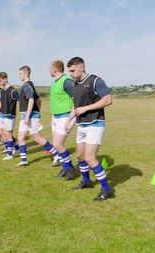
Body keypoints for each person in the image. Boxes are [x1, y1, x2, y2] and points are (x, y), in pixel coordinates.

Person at [65, 57, 114, 201]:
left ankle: (106, 189)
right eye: (69, 71)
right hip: (82, 125)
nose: (71, 74)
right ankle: (86, 181)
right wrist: (68, 121)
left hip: (95, 123)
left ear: (82, 67)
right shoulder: (75, 85)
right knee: (80, 156)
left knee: (89, 157)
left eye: (73, 70)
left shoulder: (95, 80)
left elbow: (108, 99)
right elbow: (76, 107)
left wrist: (86, 108)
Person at [16, 66, 60, 167]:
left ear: (26, 74)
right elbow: (38, 100)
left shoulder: (28, 85)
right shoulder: (28, 85)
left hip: (30, 116)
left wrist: (29, 116)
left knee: (37, 138)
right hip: (26, 116)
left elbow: (32, 100)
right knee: (20, 137)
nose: (19, 76)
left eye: (20, 74)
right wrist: (36, 111)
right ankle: (24, 160)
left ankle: (57, 155)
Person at [49, 60, 77, 179]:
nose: (49, 70)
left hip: (66, 117)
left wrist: (70, 118)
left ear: (55, 69)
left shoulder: (67, 81)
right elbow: (56, 101)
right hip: (57, 117)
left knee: (58, 144)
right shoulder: (55, 82)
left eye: (50, 68)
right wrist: (52, 116)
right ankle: (65, 168)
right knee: (57, 145)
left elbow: (77, 99)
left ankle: (70, 168)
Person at [0, 72, 20, 160]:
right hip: (3, 115)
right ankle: (16, 148)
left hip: (10, 116)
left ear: (5, 79)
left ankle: (10, 155)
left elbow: (20, 101)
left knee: (8, 134)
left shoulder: (13, 90)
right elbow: (2, 104)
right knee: (3, 133)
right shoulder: (2, 90)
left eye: (0, 81)